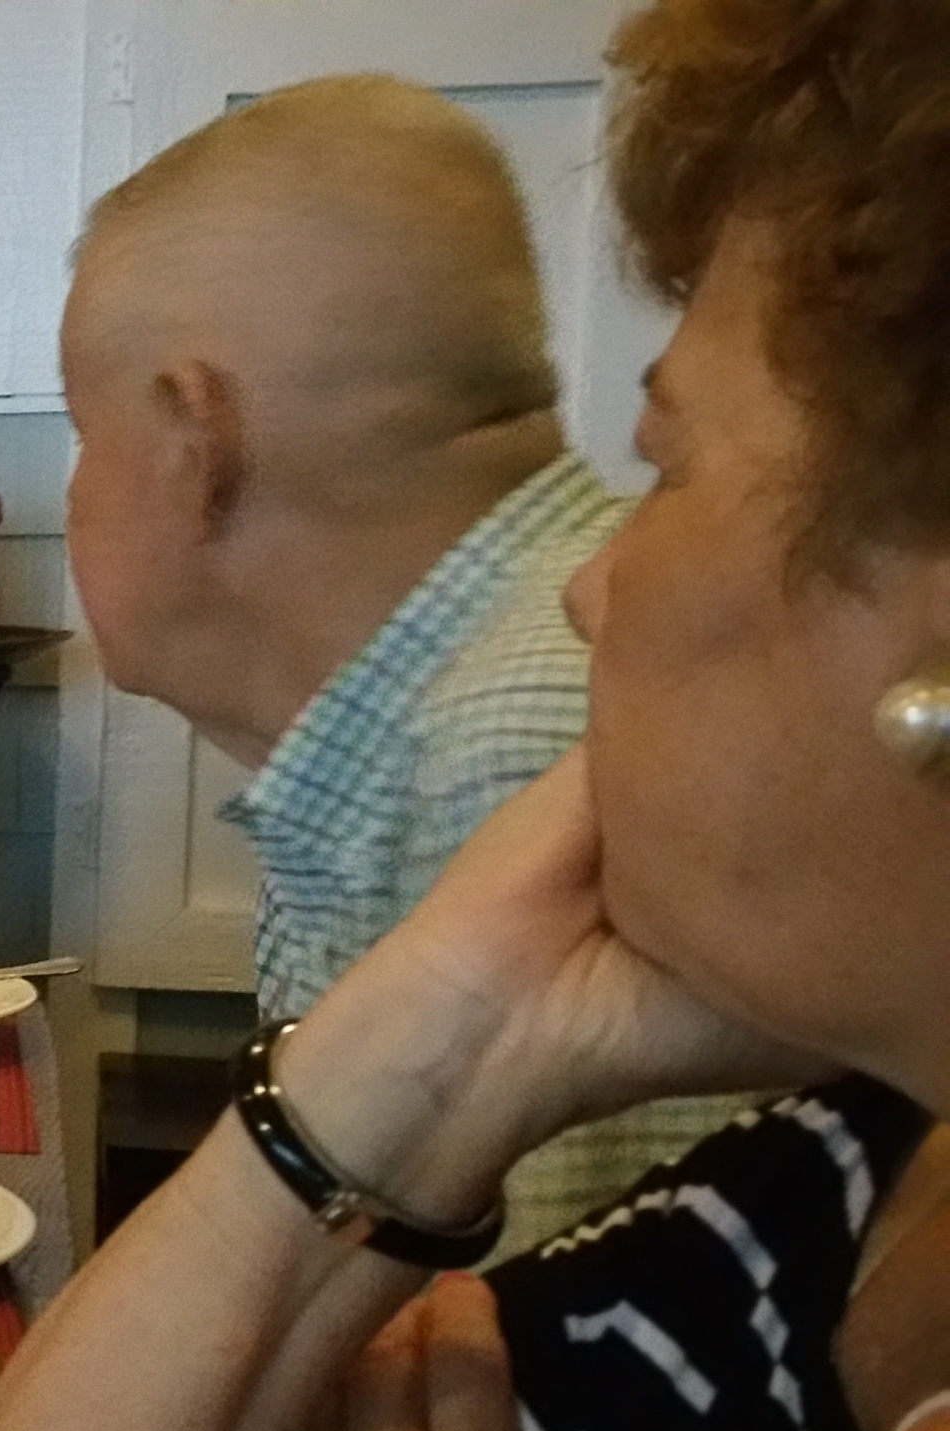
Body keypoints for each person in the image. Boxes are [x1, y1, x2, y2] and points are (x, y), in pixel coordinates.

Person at [0, 4, 950, 1431]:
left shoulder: (520, 738)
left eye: (672, 465)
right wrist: (457, 1021)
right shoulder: (831, 1187)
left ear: (190, 439)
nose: (595, 583)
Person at [56, 73, 737, 1255]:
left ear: (191, 446)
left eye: (85, 433)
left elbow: (504, 1360)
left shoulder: (525, 750)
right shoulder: (414, 705)